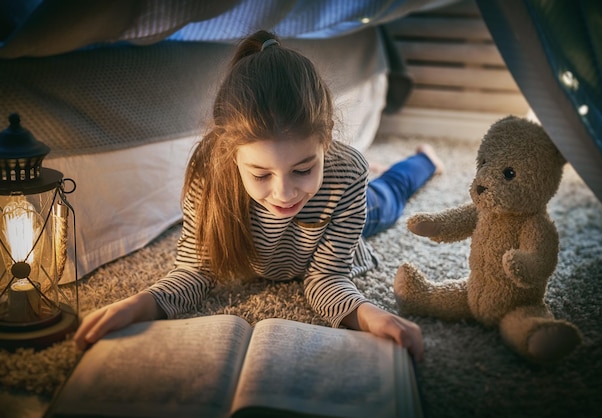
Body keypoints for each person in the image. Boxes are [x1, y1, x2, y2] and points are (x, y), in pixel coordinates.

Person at [73, 30, 444, 361]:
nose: (283, 193)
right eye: (260, 173)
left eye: (302, 168)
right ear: (230, 153)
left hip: (350, 203)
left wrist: (368, 314)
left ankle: (423, 159)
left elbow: (326, 277)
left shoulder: (346, 173)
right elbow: (194, 271)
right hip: (316, 191)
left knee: (388, 198)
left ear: (326, 140)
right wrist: (143, 303)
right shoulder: (209, 175)